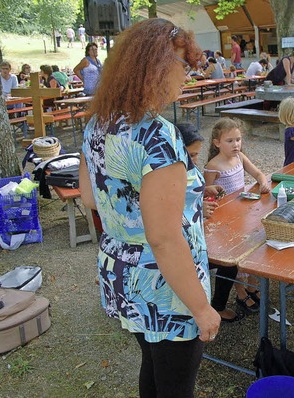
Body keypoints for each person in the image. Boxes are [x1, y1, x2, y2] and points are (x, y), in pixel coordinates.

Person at [78, 19, 221, 398]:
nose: (187, 77)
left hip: (121, 270)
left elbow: (90, 198)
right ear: (153, 67)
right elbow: (163, 238)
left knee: (154, 367)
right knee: (176, 384)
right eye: (181, 66)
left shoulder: (98, 123)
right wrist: (202, 307)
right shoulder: (156, 135)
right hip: (164, 282)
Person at [178, 122, 244, 324]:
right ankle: (211, 308)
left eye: (197, 154)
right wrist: (198, 209)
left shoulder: (188, 170)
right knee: (228, 263)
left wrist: (206, 191)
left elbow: (189, 195)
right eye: (190, 155)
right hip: (181, 247)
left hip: (196, 237)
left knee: (230, 259)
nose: (195, 160)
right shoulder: (166, 176)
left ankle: (217, 304)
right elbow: (164, 214)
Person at [204, 118, 271, 314]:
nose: (236, 145)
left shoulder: (240, 157)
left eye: (238, 140)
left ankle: (251, 284)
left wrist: (262, 181)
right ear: (217, 143)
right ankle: (240, 292)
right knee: (233, 254)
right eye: (230, 141)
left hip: (242, 213)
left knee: (251, 246)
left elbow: (257, 172)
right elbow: (207, 195)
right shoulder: (213, 166)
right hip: (224, 219)